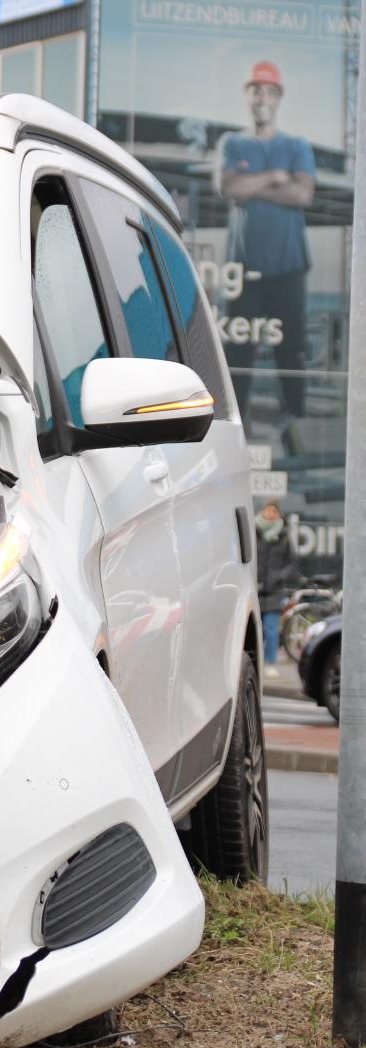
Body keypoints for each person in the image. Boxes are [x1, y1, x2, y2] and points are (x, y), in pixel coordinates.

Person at [217, 61, 316, 424]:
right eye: (256, 90)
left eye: (270, 91)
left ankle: (296, 423)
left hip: (288, 268)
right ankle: (233, 422)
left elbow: (303, 195)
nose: (263, 98)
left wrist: (252, 185)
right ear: (248, 95)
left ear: (278, 99)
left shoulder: (297, 145)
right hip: (243, 271)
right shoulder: (233, 143)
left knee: (290, 350)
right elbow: (228, 186)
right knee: (238, 352)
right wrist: (275, 178)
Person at [254, 500, 298, 668]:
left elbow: (292, 562)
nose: (271, 514)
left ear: (279, 514)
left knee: (271, 629)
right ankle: (256, 663)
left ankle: (270, 663)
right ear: (262, 511)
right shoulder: (253, 531)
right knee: (258, 630)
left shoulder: (284, 537)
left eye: (274, 511)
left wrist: (280, 576)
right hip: (254, 590)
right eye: (268, 510)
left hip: (275, 590)